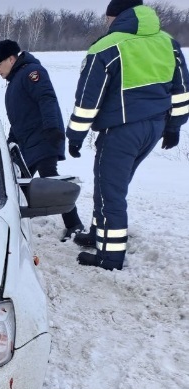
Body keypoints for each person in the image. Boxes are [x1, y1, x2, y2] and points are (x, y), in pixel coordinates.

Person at [66, 0, 189, 270]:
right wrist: (174, 127)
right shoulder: (168, 43)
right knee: (108, 184)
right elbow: (181, 90)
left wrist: (75, 135)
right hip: (154, 127)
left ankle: (109, 257)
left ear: (116, 16)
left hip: (121, 131)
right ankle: (98, 233)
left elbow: (88, 99)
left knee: (111, 192)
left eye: (107, 18)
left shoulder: (107, 47)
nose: (106, 23)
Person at [0, 39, 83, 241]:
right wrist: (9, 142)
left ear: (11, 59)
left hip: (44, 138)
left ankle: (75, 225)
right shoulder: (16, 80)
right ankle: (13, 221)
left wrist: (52, 128)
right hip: (28, 143)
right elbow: (20, 118)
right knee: (18, 183)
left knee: (49, 180)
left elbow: (46, 99)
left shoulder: (32, 73)